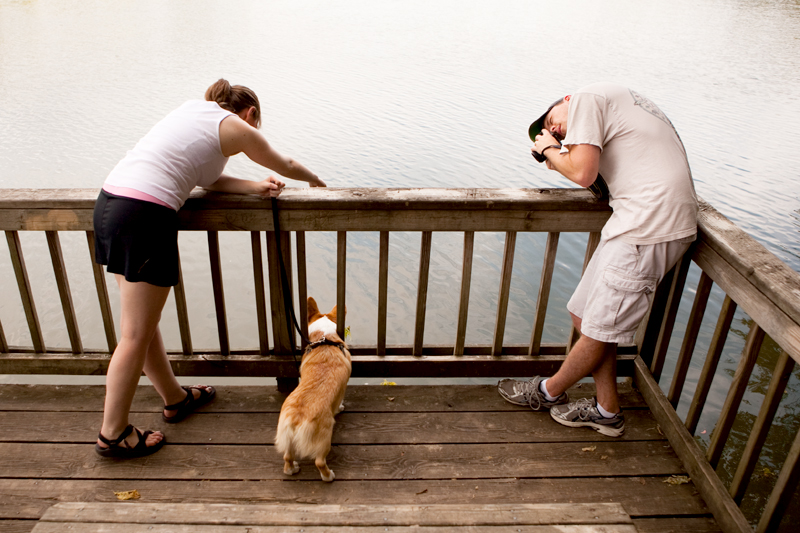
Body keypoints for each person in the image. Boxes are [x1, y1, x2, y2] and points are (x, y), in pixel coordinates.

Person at [93, 79, 325, 457]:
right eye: (255, 122)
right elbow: (285, 163)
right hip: (143, 217)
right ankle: (112, 433)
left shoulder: (193, 112)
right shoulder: (235, 126)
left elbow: (205, 177)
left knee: (141, 327)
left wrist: (253, 187)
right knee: (135, 335)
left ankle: (175, 398)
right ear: (250, 114)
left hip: (111, 203)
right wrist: (313, 179)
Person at [498, 82, 698, 437]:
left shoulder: (586, 99)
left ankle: (547, 391)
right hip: (635, 222)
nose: (553, 131)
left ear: (565, 100)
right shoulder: (617, 104)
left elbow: (582, 173)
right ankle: (607, 410)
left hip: (649, 226)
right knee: (584, 314)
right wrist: (557, 151)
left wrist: (548, 149)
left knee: (600, 327)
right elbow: (594, 175)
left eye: (550, 122)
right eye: (548, 134)